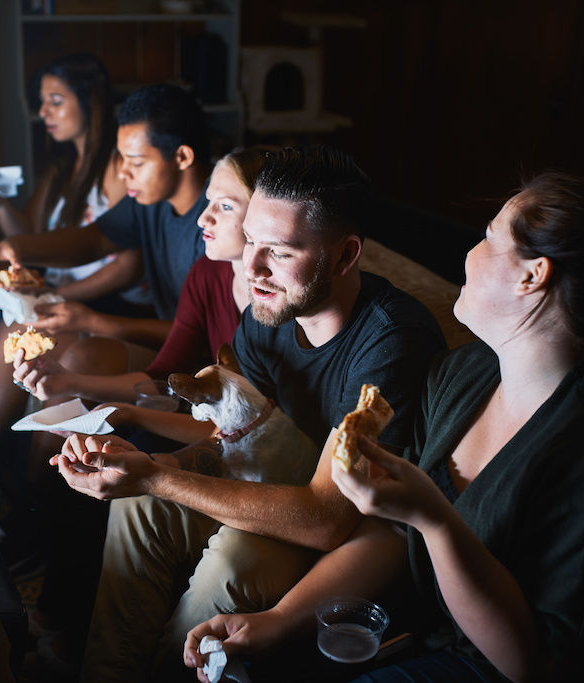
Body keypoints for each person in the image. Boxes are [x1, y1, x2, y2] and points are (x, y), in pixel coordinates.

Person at [184, 171, 584, 682]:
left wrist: (435, 519)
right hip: (421, 633)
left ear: (534, 275)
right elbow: (394, 532)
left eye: (487, 237)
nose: (468, 254)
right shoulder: (461, 375)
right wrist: (278, 621)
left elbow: (533, 665)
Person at [51, 146, 447, 682]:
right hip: (286, 489)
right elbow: (231, 438)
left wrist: (159, 476)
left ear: (345, 256)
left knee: (232, 560)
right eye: (252, 241)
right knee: (135, 507)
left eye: (279, 252)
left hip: (357, 536)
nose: (252, 267)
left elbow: (331, 519)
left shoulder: (389, 343)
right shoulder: (267, 313)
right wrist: (131, 458)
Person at [12, 146, 275, 446]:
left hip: (259, 443)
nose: (203, 219)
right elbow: (161, 374)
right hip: (220, 427)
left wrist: (130, 414)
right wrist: (66, 382)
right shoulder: (206, 274)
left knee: (143, 445)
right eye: (209, 202)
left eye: (225, 207)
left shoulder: (280, 301)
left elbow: (248, 430)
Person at [0, 53, 140, 432]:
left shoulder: (115, 169)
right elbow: (25, 234)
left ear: (90, 103)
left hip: (88, 295)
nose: (44, 111)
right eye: (43, 101)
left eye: (56, 102)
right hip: (51, 289)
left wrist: (61, 295)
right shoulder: (61, 170)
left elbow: (127, 263)